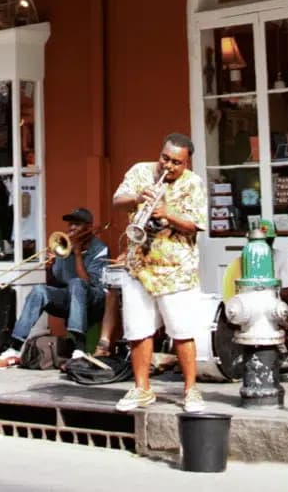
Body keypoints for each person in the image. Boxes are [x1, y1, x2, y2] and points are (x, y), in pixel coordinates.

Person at [112, 133, 210, 413]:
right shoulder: (140, 171)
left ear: (186, 162)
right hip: (139, 266)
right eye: (164, 158)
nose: (168, 166)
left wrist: (167, 214)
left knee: (181, 331)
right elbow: (117, 202)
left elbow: (196, 224)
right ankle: (142, 389)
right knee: (137, 329)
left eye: (176, 162)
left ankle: (191, 390)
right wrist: (136, 198)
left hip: (175, 269)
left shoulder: (193, 183)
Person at [0, 207, 110, 369]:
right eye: (70, 224)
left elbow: (89, 283)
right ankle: (14, 350)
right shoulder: (63, 246)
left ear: (88, 227)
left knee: (76, 283)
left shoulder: (100, 248)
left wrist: (78, 254)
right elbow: (55, 284)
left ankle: (79, 350)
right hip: (70, 299)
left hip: (94, 301)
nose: (71, 228)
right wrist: (49, 267)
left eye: (77, 224)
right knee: (39, 290)